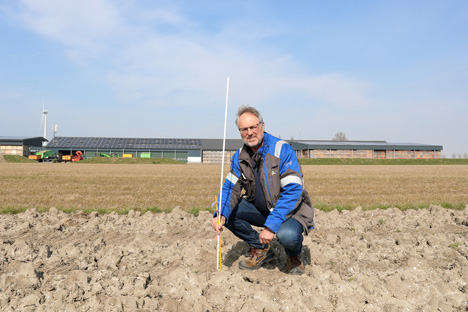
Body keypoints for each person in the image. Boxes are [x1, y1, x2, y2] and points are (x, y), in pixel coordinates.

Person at [210, 105, 314, 275]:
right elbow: (230, 188)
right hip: (261, 209)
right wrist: (220, 213)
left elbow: (294, 191)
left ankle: (293, 255)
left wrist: (271, 226)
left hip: (290, 212)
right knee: (225, 212)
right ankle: (261, 247)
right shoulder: (239, 157)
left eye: (253, 127)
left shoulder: (282, 149)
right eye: (244, 129)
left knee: (286, 235)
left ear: (262, 126)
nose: (249, 133)